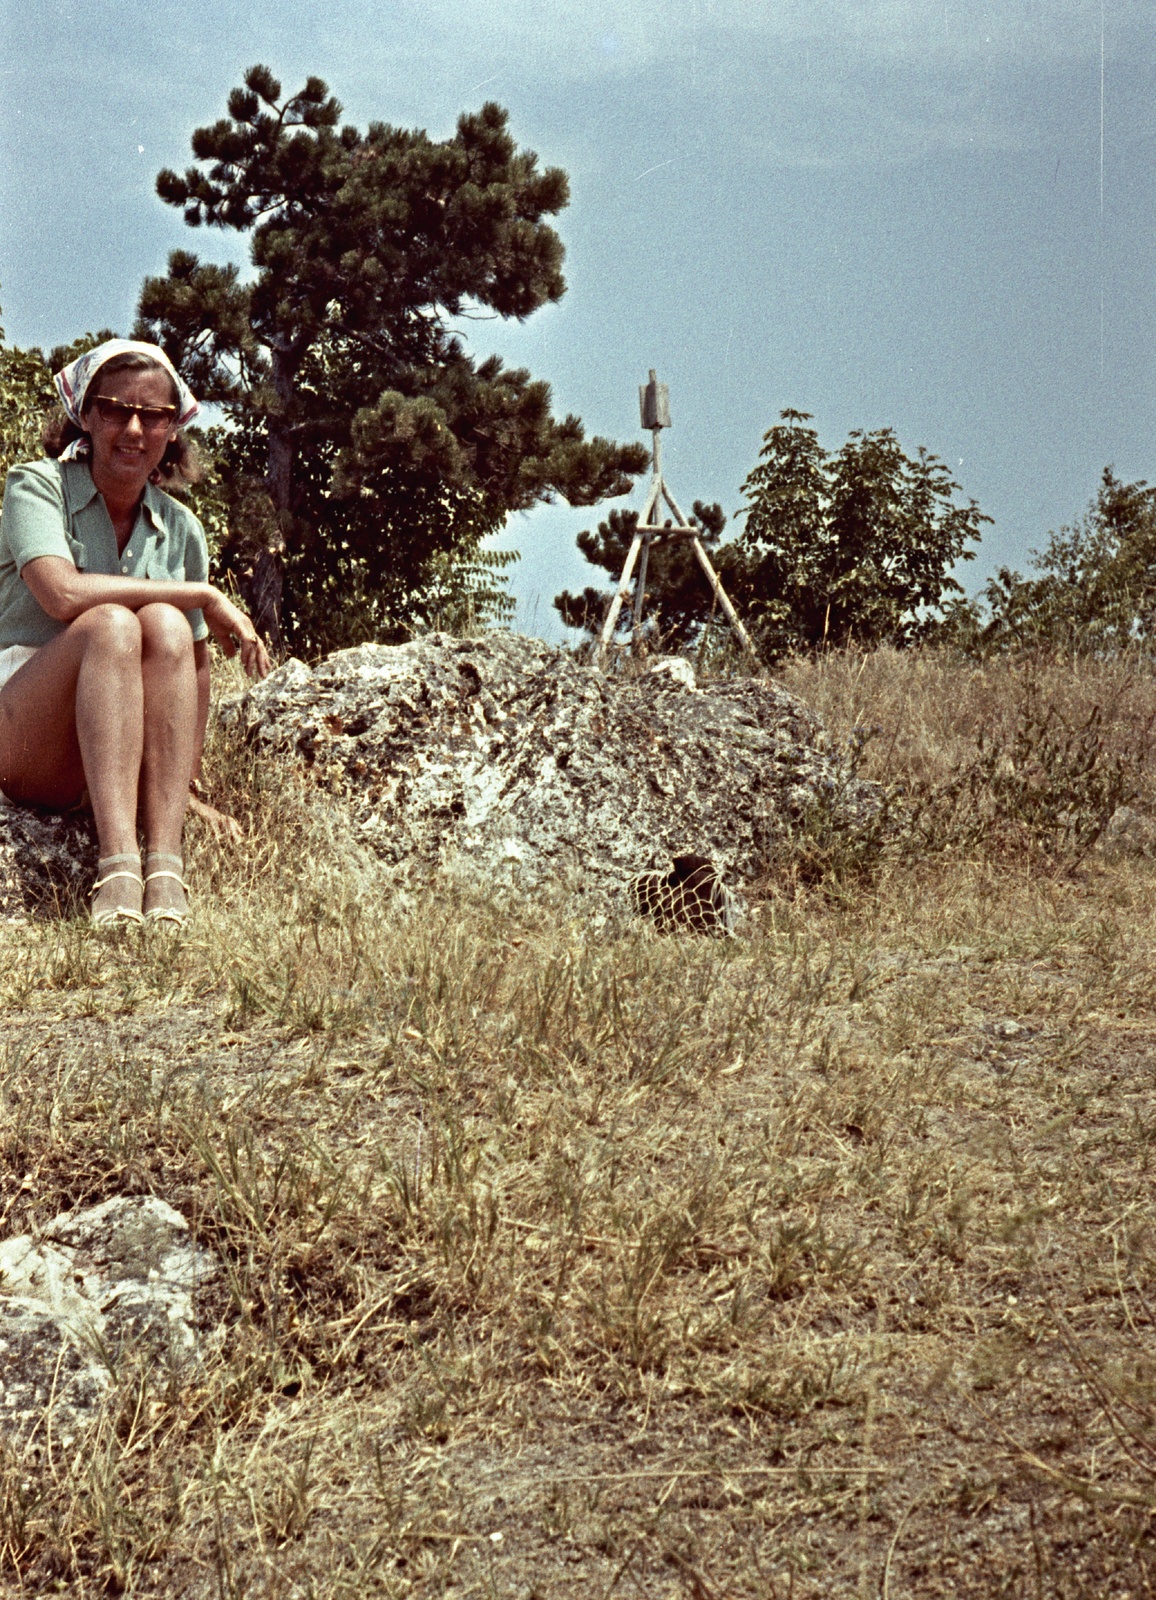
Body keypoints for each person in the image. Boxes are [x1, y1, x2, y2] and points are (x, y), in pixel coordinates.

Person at [0, 339, 270, 926]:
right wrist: (202, 594)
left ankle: (165, 866)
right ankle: (119, 868)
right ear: (87, 416)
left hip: (110, 746)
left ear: (173, 429)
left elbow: (190, 675)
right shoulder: (36, 485)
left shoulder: (181, 528)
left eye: (153, 416)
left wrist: (184, 788)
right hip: (22, 732)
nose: (133, 429)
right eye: (116, 409)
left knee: (166, 626)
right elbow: (63, 594)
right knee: (112, 626)